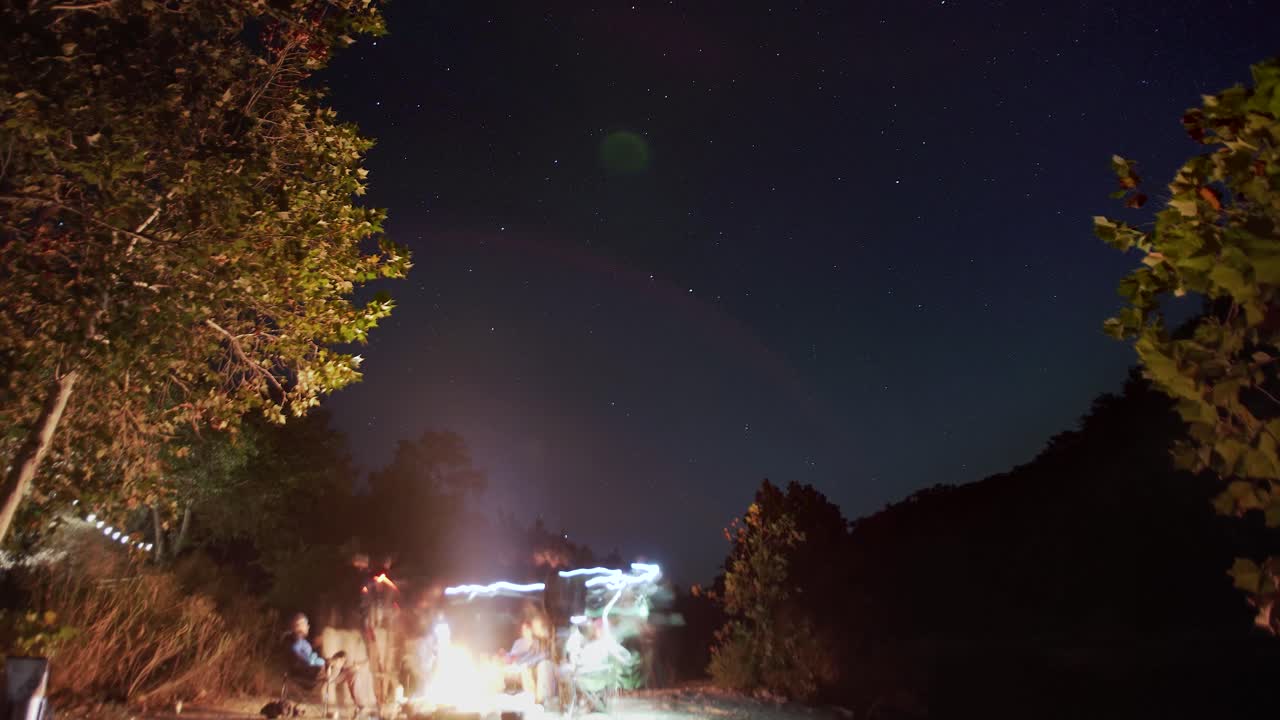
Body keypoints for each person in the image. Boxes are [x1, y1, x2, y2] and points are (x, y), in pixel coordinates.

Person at [287, 613, 359, 715]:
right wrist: (327, 662)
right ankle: (339, 707)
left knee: (350, 668)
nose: (308, 626)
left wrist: (327, 660)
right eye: (305, 624)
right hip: (314, 675)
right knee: (343, 663)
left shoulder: (303, 642)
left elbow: (309, 658)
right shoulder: (296, 642)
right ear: (297, 626)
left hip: (322, 672)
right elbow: (306, 660)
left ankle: (358, 706)